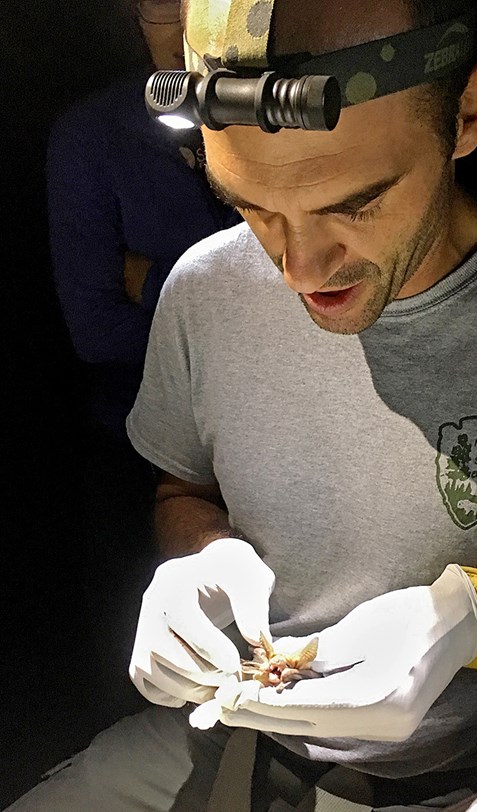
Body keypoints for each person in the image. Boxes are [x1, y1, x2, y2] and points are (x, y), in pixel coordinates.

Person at [8, 0, 477, 809]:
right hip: (229, 736)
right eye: (253, 207)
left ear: (470, 113)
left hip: (466, 780)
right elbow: (184, 489)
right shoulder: (205, 289)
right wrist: (201, 556)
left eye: (355, 203)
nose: (300, 269)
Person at [44, 0, 241, 727]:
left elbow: (305, 284)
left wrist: (152, 280)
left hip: (270, 436)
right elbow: (97, 332)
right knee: (149, 690)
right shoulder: (93, 133)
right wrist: (221, 297)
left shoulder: (272, 106)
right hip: (138, 448)